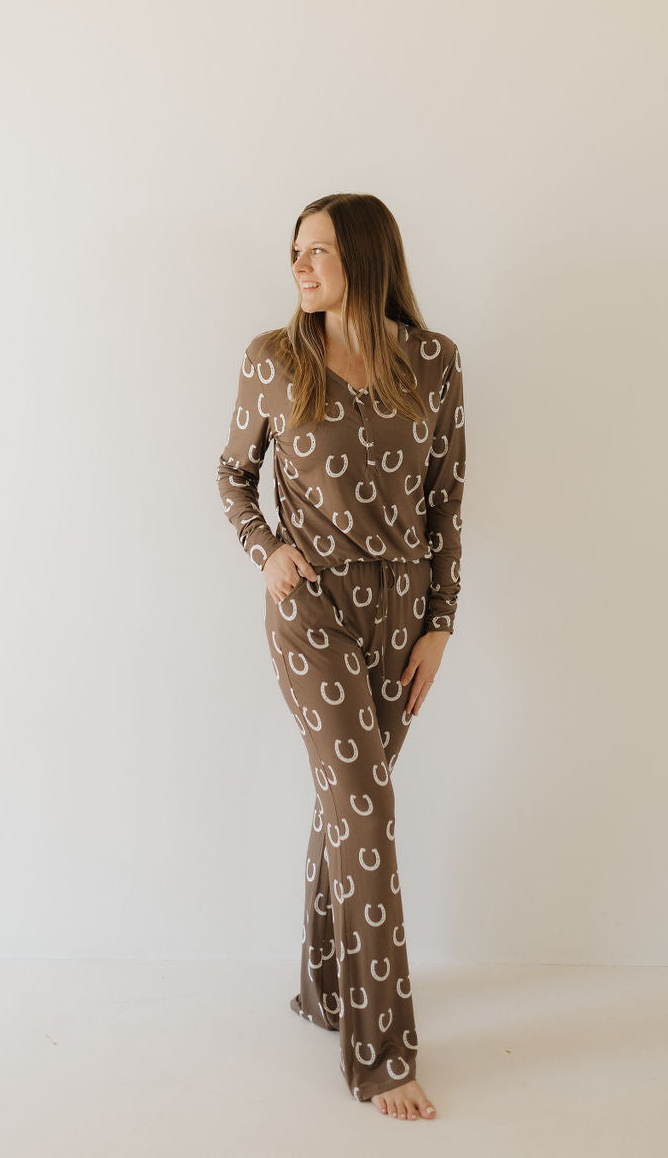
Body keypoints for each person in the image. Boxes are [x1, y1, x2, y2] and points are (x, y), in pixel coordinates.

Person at [215, 192, 466, 1122]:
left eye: (317, 248)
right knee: (368, 809)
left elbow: (446, 502)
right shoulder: (275, 360)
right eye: (294, 250)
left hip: (401, 615)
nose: (299, 264)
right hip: (310, 605)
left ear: (366, 256)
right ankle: (382, 1055)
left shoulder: (434, 364)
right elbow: (233, 474)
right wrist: (267, 548)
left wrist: (440, 622)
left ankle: (326, 990)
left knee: (346, 802)